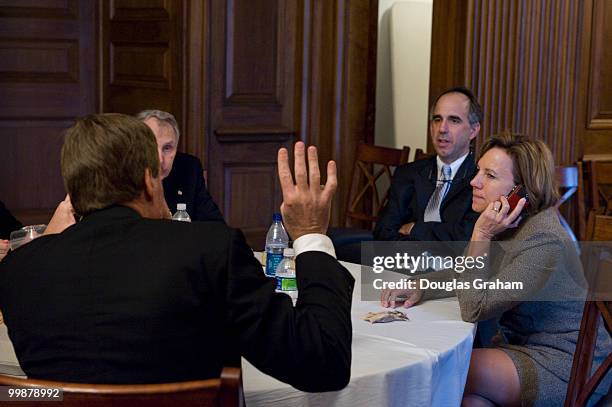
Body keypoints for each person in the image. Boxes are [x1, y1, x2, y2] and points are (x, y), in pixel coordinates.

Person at [0, 113, 354, 391]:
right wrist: (310, 235)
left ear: (72, 193)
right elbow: (321, 362)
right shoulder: (209, 251)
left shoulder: (19, 270)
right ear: (148, 182)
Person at [381, 132, 611, 406]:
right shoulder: (510, 223)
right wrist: (421, 285)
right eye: (478, 170)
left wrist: (481, 234)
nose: (474, 182)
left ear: (520, 192)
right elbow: (470, 274)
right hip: (519, 346)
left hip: (569, 362)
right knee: (468, 400)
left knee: (448, 370)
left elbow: (474, 307)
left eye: (489, 176)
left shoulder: (542, 238)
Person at [374, 86, 481, 242]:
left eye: (454, 120)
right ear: (431, 127)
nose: (442, 129)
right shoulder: (407, 173)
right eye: (437, 119)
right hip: (402, 263)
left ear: (473, 130)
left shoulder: (480, 180)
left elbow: (466, 239)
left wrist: (414, 228)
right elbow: (383, 232)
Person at [136, 109, 224, 222]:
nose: (159, 159)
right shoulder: (119, 174)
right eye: (150, 146)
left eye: (167, 148)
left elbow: (215, 226)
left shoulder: (188, 168)